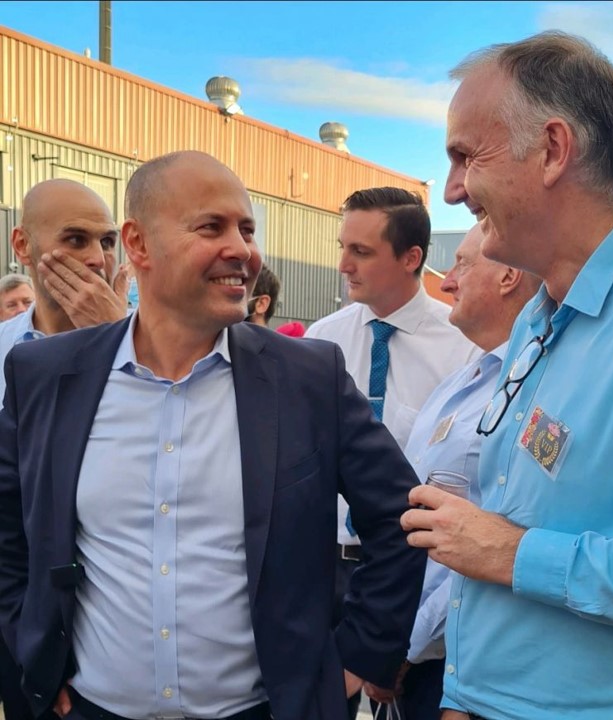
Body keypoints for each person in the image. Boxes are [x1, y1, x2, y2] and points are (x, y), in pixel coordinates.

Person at [0, 150, 426, 720]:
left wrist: (352, 662)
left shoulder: (306, 378)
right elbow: (8, 530)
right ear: (139, 244)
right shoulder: (46, 376)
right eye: (211, 227)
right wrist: (33, 650)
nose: (242, 250)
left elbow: (401, 521)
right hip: (90, 708)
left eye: (247, 229)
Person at [401, 31, 613, 720]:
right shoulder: (538, 320)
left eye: (466, 156)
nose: (453, 190)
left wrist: (517, 555)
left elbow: (506, 547)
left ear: (551, 150)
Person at [306, 186, 478, 718]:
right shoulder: (319, 345)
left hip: (410, 576)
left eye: (361, 251)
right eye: (342, 247)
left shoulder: (465, 351)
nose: (343, 265)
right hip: (321, 572)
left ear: (411, 259)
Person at [366, 224, 539, 720]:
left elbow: (487, 545)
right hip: (417, 656)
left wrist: (409, 644)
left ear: (508, 275)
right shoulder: (466, 380)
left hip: (456, 666)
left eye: (462, 263)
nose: (445, 282)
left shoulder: (532, 392)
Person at [0, 179, 129, 720]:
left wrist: (117, 338)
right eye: (75, 239)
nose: (96, 259)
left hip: (115, 616)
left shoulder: (141, 350)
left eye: (105, 241)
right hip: (18, 605)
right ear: (22, 246)